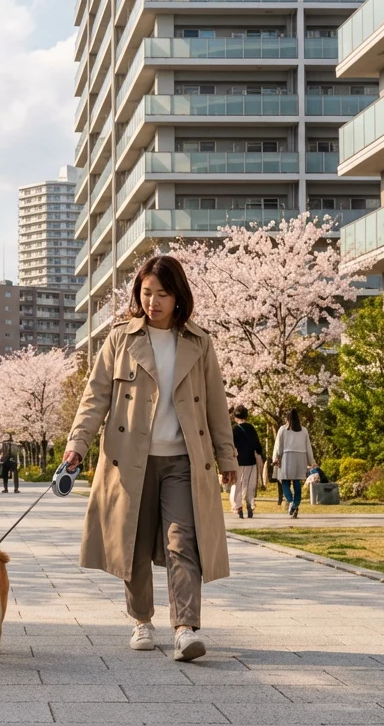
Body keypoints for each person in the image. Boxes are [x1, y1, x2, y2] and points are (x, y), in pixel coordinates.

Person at [61, 254, 237, 663]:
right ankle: (141, 620)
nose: (153, 301)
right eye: (146, 293)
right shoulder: (121, 338)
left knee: (183, 544)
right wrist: (77, 445)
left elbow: (216, 404)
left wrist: (226, 455)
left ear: (178, 297)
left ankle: (186, 629)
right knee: (134, 544)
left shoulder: (199, 341)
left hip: (183, 461)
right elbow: (95, 397)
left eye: (162, 293)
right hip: (130, 460)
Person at [272, 408, 315, 519]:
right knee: (297, 481)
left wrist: (277, 458)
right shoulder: (304, 430)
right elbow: (308, 447)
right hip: (300, 457)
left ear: (287, 418)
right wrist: (311, 461)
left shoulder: (283, 429)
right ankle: (295, 504)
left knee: (285, 481)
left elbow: (278, 446)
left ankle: (291, 502)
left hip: (286, 457)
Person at [230, 406, 264, 520]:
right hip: (251, 461)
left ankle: (238, 507)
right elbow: (257, 446)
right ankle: (250, 504)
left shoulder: (234, 429)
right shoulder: (251, 428)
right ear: (246, 416)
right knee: (250, 485)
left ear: (235, 417)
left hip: (238, 461)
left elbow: (230, 445)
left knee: (237, 485)